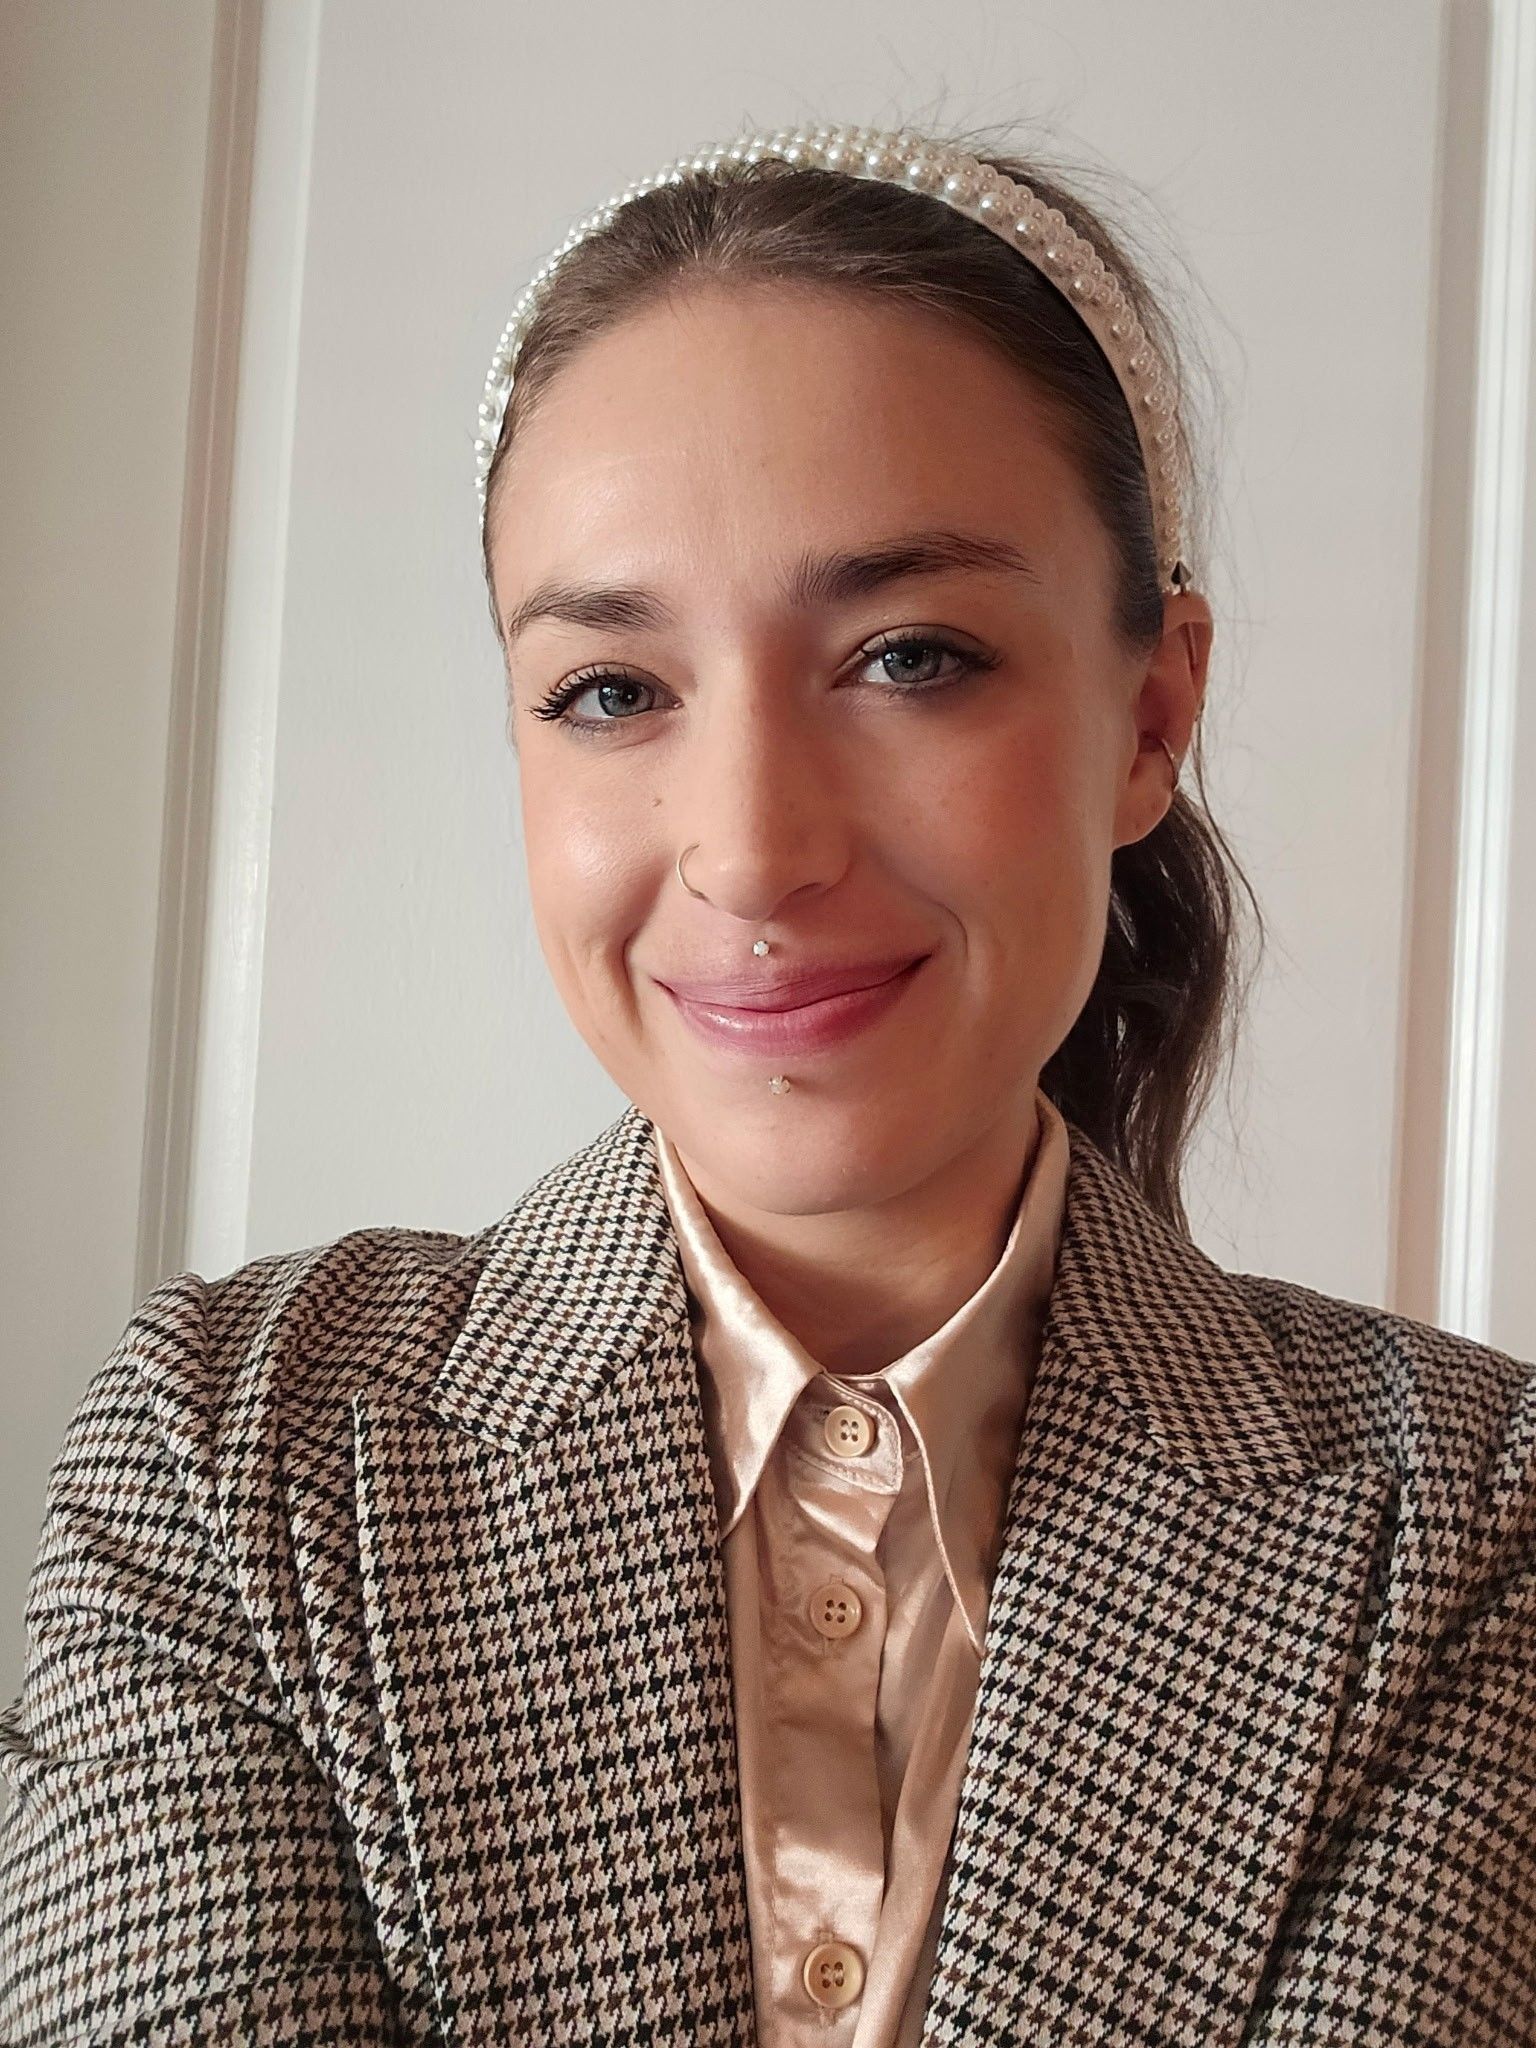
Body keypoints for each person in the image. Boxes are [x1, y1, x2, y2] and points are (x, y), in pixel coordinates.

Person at [1, 117, 1532, 2048]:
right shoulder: (235, 1464)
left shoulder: (1473, 1522)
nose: (751, 849)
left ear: (1150, 718)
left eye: (909, 656)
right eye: (612, 692)